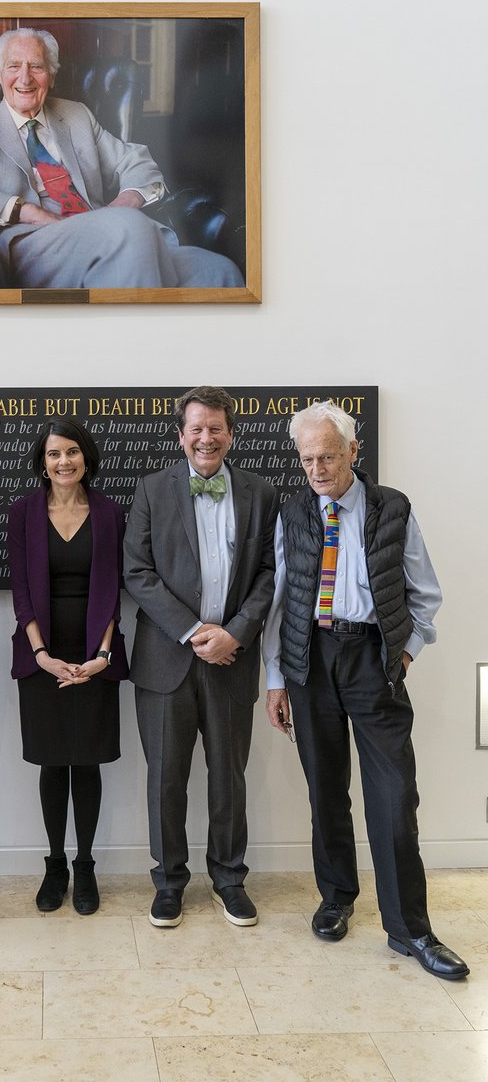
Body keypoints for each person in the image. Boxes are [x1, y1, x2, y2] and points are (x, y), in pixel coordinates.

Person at [263, 401, 468, 979]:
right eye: (307, 459)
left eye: (327, 455)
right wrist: (277, 679)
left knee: (394, 796)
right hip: (310, 660)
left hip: (374, 660)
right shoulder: (293, 512)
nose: (317, 469)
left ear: (355, 451)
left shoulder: (392, 507)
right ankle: (337, 897)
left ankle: (411, 930)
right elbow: (282, 602)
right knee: (326, 789)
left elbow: (425, 592)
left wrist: (404, 653)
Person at [0, 27, 244, 291]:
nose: (24, 78)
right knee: (128, 231)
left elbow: (135, 161)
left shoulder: (76, 115)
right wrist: (28, 211)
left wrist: (126, 202)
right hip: (33, 244)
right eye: (13, 67)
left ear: (51, 76)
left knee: (219, 271)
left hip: (110, 233)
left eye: (36, 67)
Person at [124, 386, 278, 929]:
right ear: (181, 434)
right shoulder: (150, 490)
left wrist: (234, 633)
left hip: (232, 660)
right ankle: (168, 882)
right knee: (166, 776)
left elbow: (268, 574)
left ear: (231, 434)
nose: (206, 438)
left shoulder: (261, 492)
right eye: (196, 428)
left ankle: (229, 879)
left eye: (215, 428)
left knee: (227, 777)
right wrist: (194, 631)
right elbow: (137, 572)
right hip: (165, 661)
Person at [8, 419, 128, 914]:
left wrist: (100, 656)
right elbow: (20, 592)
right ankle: (55, 862)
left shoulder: (110, 513)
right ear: (43, 462)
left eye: (72, 453)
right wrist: (43, 657)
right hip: (43, 655)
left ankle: (85, 865)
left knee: (88, 759)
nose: (64, 462)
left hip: (94, 655)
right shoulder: (22, 512)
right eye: (54, 454)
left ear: (86, 458)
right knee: (53, 761)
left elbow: (116, 589)